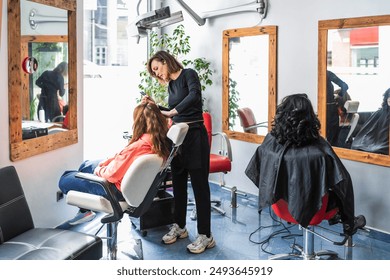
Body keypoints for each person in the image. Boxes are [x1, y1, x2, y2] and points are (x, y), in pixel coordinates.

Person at [245, 93, 366, 236]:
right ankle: (347, 222)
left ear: (282, 114)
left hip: (280, 206)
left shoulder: (270, 141)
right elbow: (342, 182)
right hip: (315, 211)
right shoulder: (320, 149)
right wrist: (348, 220)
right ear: (310, 117)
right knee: (337, 191)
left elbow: (259, 173)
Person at [144, 50, 214, 254]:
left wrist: (172, 112)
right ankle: (180, 226)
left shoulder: (188, 74)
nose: (157, 74)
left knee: (200, 188)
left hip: (195, 137)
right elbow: (171, 109)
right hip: (178, 139)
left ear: (165, 61)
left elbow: (193, 97)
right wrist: (155, 106)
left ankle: (206, 235)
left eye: (157, 68)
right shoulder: (172, 85)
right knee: (179, 184)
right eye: (153, 72)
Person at [58, 101, 171, 225]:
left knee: (65, 178)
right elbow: (122, 160)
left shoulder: (138, 146)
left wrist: (99, 170)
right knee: (85, 165)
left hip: (113, 190)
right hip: (132, 188)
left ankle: (85, 210)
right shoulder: (161, 143)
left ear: (138, 122)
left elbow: (112, 175)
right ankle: (85, 211)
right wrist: (108, 162)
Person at [351, 88, 390, 155]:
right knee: (360, 145)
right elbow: (367, 132)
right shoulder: (379, 113)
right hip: (374, 141)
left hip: (384, 143)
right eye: (389, 96)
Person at [326, 70, 349, 146]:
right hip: (331, 108)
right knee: (332, 142)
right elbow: (344, 86)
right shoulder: (327, 73)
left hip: (319, 109)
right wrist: (338, 96)